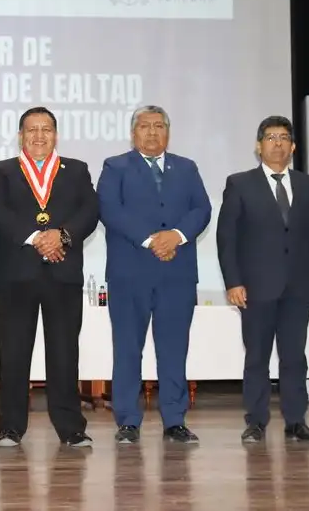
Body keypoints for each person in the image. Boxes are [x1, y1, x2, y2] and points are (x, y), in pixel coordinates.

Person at [0, 106, 99, 448]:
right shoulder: (3, 170)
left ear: (56, 134)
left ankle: (71, 427)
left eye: (45, 129)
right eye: (31, 130)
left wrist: (60, 236)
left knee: (65, 354)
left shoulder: (76, 170)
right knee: (14, 353)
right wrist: (37, 238)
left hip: (63, 275)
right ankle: (11, 427)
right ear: (20, 136)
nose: (38, 136)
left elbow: (90, 211)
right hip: (17, 275)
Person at [96, 105, 211, 445]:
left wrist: (175, 236)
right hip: (130, 273)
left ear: (168, 133)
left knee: (174, 350)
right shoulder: (115, 166)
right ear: (133, 133)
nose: (151, 132)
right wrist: (150, 240)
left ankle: (174, 420)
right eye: (144, 126)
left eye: (158, 126)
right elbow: (109, 210)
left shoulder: (187, 168)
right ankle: (128, 421)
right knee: (128, 349)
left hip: (177, 274)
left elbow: (201, 209)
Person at [216, 115, 309, 444]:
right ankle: (256, 421)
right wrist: (233, 282)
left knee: (295, 357)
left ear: (292, 146)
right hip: (255, 287)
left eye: (283, 137)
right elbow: (228, 239)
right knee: (257, 358)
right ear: (258, 146)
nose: (277, 143)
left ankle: (296, 421)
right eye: (270, 137)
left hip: (298, 286)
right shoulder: (239, 184)